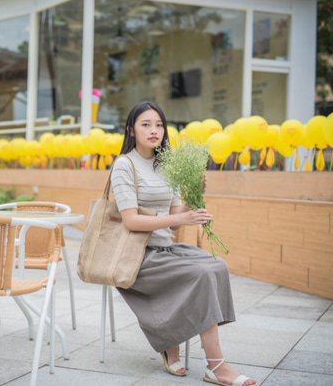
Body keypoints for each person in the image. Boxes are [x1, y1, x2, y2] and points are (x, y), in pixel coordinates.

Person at [110, 101, 256, 386]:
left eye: (160, 125)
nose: (155, 131)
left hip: (166, 249)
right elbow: (131, 221)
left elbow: (175, 221)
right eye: (146, 124)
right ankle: (217, 366)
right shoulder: (124, 166)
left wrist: (191, 198)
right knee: (200, 275)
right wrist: (179, 218)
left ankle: (172, 341)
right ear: (131, 129)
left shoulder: (168, 165)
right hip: (139, 256)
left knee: (216, 265)